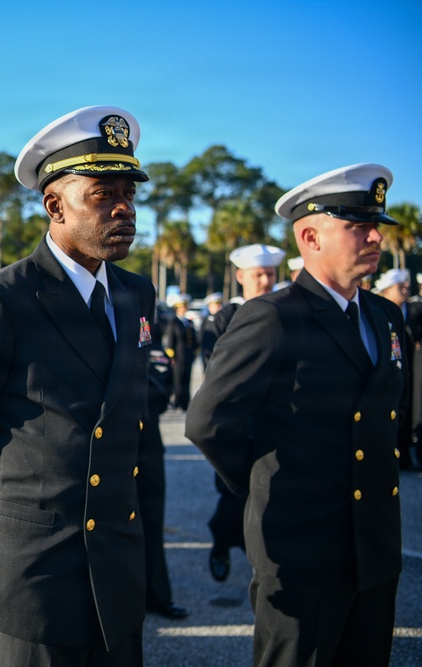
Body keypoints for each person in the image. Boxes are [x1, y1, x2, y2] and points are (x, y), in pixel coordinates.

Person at [0, 106, 155, 666]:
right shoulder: (0, 299)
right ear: (54, 205)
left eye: (129, 192)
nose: (123, 207)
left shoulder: (135, 293)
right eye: (103, 193)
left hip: (116, 567)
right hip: (29, 570)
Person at [186, 164, 404, 666]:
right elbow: (207, 422)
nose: (374, 237)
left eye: (376, 226)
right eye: (356, 226)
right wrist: (267, 480)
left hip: (373, 544)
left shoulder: (383, 315)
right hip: (301, 547)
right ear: (310, 236)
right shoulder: (273, 316)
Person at [200, 243, 285, 581]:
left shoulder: (285, 309)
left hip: (274, 421)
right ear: (240, 277)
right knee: (233, 492)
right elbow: (214, 370)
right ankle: (222, 542)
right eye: (258, 275)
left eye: (270, 274)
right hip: (235, 421)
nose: (265, 281)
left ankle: (263, 563)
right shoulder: (225, 317)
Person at [137, 315, 188, 621]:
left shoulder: (147, 336)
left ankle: (157, 594)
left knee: (152, 519)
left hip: (147, 441)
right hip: (110, 443)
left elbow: (161, 381)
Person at [374, 268, 419, 471]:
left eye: (405, 287)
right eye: (399, 288)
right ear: (386, 292)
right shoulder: (378, 313)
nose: (405, 291)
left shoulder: (414, 310)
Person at [163, 294, 196, 409]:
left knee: (187, 379)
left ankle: (185, 402)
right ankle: (177, 401)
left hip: (188, 356)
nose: (183, 309)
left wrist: (195, 352)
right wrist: (171, 356)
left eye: (185, 307)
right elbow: (170, 340)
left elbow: (193, 339)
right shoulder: (174, 322)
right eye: (181, 307)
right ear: (177, 308)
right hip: (178, 356)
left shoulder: (188, 322)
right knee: (178, 381)